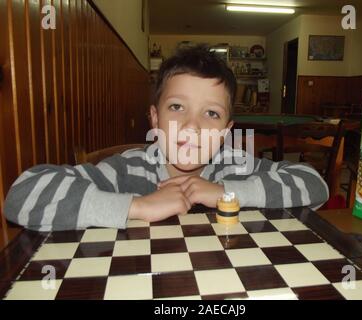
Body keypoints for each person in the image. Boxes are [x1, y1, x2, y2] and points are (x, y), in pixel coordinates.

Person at [4, 45, 329, 231]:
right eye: (177, 107)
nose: (192, 126)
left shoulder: (234, 166)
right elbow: (21, 196)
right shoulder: (128, 171)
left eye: (211, 114)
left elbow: (315, 186)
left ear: (226, 133)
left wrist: (226, 192)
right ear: (155, 119)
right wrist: (136, 205)